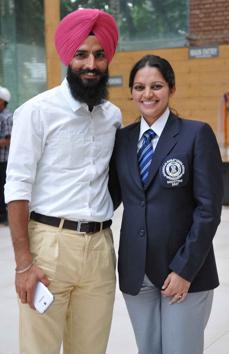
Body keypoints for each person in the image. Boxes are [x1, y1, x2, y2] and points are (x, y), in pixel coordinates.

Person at [5, 8, 121, 354]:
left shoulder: (112, 116)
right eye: (82, 54)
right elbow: (17, 188)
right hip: (48, 247)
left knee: (91, 349)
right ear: (67, 56)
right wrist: (24, 263)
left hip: (100, 248)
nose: (91, 64)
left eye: (100, 55)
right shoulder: (37, 112)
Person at [109, 55, 223, 354]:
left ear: (171, 88)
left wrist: (184, 269)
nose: (147, 94)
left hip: (184, 272)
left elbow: (208, 210)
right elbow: (108, 197)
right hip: (137, 271)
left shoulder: (195, 134)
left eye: (156, 86)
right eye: (139, 87)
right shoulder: (121, 139)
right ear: (131, 92)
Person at [0, 86, 13, 224]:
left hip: (4, 160)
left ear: (2, 101)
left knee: (2, 188)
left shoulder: (7, 117)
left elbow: (9, 139)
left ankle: (5, 216)